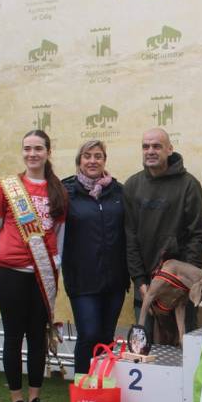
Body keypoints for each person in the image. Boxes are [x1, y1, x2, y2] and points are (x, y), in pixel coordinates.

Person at [0, 129, 67, 402]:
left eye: (38, 148)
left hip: (43, 276)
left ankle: (35, 399)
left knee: (37, 339)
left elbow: (60, 236)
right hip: (11, 274)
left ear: (48, 152)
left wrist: (56, 267)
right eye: (28, 148)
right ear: (23, 152)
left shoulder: (58, 190)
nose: (33, 154)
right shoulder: (7, 188)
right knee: (13, 337)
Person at [123, 128, 202, 342]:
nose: (150, 151)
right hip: (145, 288)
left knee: (184, 347)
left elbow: (197, 235)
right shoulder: (132, 186)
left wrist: (182, 283)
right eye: (146, 146)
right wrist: (141, 283)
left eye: (156, 146)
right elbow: (130, 237)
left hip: (181, 288)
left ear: (169, 149)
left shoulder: (189, 185)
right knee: (144, 347)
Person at [61, 140, 129, 378]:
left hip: (115, 280)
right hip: (82, 281)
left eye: (98, 156)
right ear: (79, 161)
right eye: (87, 156)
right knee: (89, 334)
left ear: (104, 160)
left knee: (106, 337)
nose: (92, 161)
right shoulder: (66, 192)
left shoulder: (118, 191)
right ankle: (82, 387)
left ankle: (103, 388)